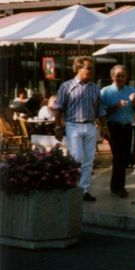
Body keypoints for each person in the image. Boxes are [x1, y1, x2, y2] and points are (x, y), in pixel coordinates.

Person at [53, 56, 108, 202]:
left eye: (92, 68)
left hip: (90, 126)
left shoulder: (95, 88)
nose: (91, 71)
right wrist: (58, 127)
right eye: (88, 68)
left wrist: (104, 127)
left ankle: (84, 191)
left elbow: (101, 110)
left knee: (89, 161)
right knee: (77, 158)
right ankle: (73, 188)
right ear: (78, 68)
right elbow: (58, 108)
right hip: (73, 126)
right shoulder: (66, 86)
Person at [100, 65, 135, 198]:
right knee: (118, 156)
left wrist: (134, 102)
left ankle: (115, 186)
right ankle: (119, 187)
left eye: (123, 76)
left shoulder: (132, 90)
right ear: (112, 77)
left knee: (123, 157)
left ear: (126, 77)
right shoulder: (105, 92)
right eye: (118, 76)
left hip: (127, 126)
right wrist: (116, 106)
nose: (120, 78)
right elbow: (101, 112)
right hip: (113, 126)